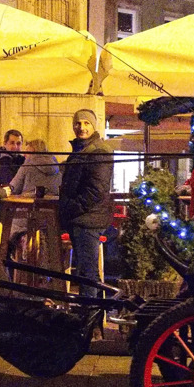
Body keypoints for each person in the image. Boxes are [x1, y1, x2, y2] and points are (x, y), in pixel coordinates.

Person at [59, 109, 114, 300]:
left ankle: (88, 319)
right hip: (82, 218)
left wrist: (71, 207)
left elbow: (96, 191)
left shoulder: (98, 150)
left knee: (87, 274)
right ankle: (94, 319)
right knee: (88, 272)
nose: (81, 127)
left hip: (88, 220)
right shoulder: (81, 149)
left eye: (86, 123)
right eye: (78, 123)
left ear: (93, 125)